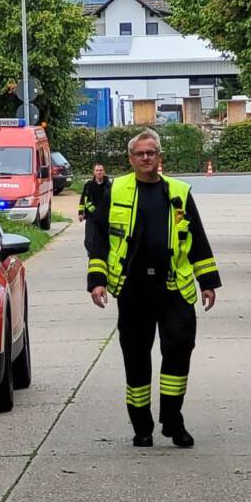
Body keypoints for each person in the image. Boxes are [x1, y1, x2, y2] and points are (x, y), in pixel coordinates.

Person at [87, 129, 221, 448]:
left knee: (179, 349)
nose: (146, 158)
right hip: (133, 289)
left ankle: (173, 422)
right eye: (140, 154)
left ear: (160, 157)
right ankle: (142, 426)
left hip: (173, 288)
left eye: (151, 153)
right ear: (130, 159)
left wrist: (209, 282)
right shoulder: (116, 190)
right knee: (136, 357)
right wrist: (97, 279)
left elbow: (197, 238)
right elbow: (98, 238)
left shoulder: (177, 191)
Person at [78, 164, 111, 255]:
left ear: (104, 172)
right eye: (97, 170)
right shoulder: (89, 185)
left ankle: (103, 253)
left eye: (101, 170)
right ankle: (91, 251)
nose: (99, 172)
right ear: (94, 172)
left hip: (105, 216)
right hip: (91, 215)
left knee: (104, 236)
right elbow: (83, 199)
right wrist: (80, 213)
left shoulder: (109, 185)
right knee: (89, 237)